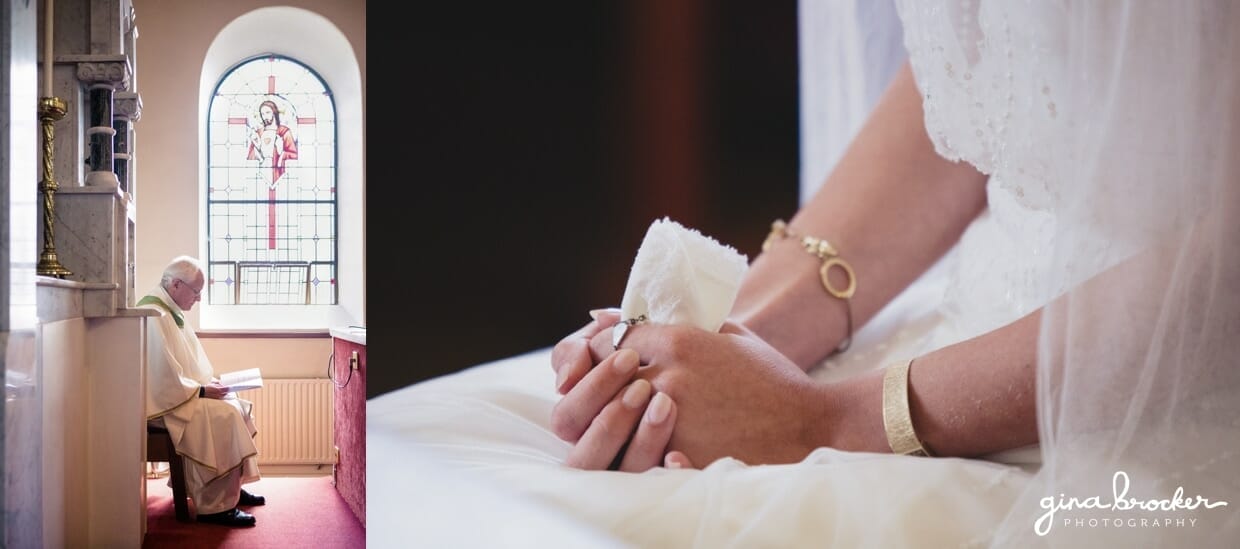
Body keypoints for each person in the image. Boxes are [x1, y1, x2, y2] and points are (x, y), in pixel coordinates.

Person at [550, 1, 1238, 546]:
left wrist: (825, 421)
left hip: (1161, 428)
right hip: (958, 333)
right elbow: (1003, 70)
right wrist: (735, 336)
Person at [140, 256, 267, 527]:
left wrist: (209, 384)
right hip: (165, 405)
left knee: (236, 404)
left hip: (179, 395)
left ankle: (231, 489)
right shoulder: (153, 314)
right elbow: (161, 378)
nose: (198, 298)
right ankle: (216, 506)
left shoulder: (169, 309)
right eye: (196, 291)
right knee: (226, 415)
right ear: (176, 284)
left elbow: (185, 365)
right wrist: (200, 390)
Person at [247, 99, 298, 190]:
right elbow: (250, 160)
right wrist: (257, 148)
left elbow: (294, 155)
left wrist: (281, 152)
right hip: (261, 173)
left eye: (267, 112)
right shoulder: (258, 133)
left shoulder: (284, 132)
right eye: (262, 114)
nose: (265, 117)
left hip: (278, 174)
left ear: (274, 113)